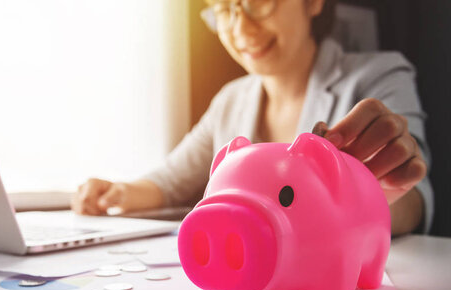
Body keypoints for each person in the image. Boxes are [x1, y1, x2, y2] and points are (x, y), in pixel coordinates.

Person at [72, 0, 433, 236]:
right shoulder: (231, 99)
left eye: (258, 2)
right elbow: (170, 181)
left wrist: (375, 198)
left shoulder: (380, 74)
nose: (241, 28)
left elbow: (415, 199)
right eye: (224, 10)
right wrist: (116, 192)